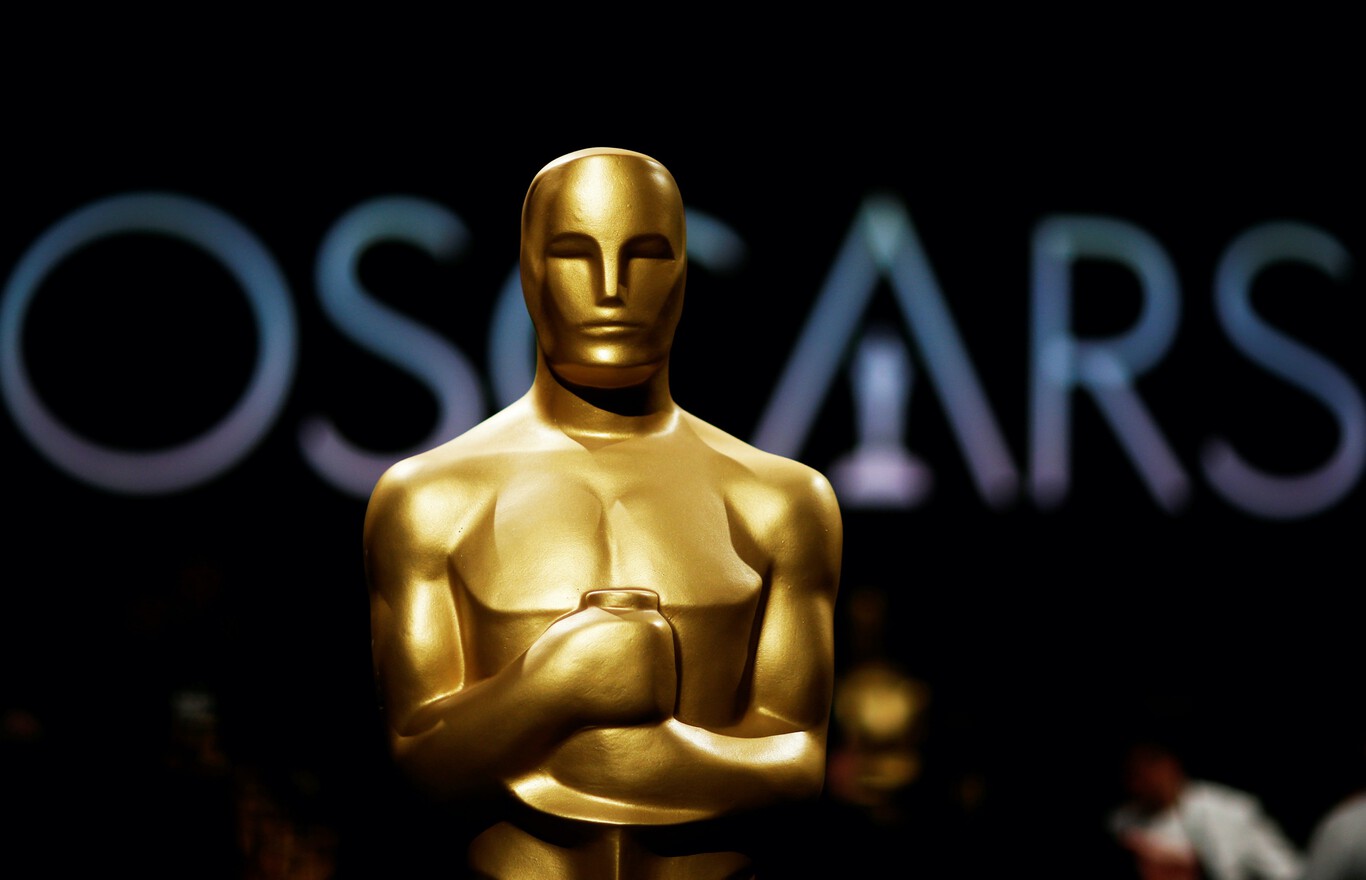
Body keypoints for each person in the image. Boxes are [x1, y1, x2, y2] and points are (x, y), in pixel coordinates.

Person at [364, 147, 843, 878]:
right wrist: (555, 684)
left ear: (683, 271)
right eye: (573, 254)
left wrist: (590, 752)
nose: (611, 288)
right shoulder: (429, 499)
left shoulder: (782, 502)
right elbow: (420, 762)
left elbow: (798, 765)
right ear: (529, 268)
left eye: (646, 255)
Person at [1108, 739, 1303, 880]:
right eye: (1134, 773)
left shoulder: (1229, 810)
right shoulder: (1121, 821)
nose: (1145, 781)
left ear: (1170, 764)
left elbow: (1286, 871)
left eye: (1151, 766)